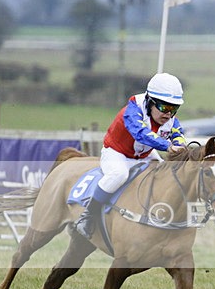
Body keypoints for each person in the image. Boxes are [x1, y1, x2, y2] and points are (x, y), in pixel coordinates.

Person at [75, 72, 187, 239]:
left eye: (174, 108)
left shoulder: (170, 118)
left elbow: (177, 133)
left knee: (166, 174)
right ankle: (87, 217)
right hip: (116, 153)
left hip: (144, 155)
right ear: (150, 102)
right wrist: (167, 146)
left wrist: (180, 145)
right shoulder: (132, 111)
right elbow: (141, 133)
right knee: (118, 175)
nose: (168, 114)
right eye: (165, 108)